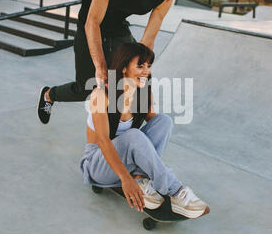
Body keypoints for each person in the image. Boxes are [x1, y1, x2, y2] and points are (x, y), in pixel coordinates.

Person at [37, 0, 188, 124]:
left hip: (119, 30)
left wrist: (140, 67)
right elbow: (92, 22)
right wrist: (100, 67)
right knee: (89, 86)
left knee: (141, 77)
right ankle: (49, 95)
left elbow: (148, 40)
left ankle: (138, 131)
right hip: (91, 27)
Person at [79, 42, 210, 218]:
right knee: (133, 135)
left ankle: (140, 178)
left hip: (125, 161)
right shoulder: (101, 95)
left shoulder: (143, 93)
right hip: (97, 164)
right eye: (140, 66)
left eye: (148, 66)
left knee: (163, 121)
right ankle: (176, 190)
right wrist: (125, 179)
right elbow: (103, 140)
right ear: (124, 68)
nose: (146, 71)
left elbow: (155, 133)